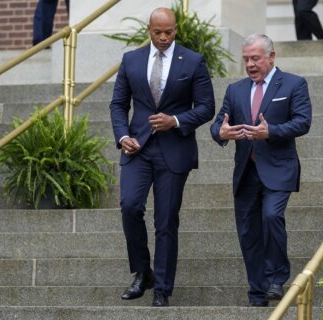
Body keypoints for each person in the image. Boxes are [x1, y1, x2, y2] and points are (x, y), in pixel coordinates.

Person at [109, 7, 215, 307]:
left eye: (169, 32)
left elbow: (207, 106)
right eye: (158, 32)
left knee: (166, 220)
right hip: (137, 149)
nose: (164, 37)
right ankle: (143, 273)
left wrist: (177, 121)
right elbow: (118, 104)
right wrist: (122, 136)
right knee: (130, 207)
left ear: (176, 29)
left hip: (174, 149)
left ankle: (162, 289)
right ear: (149, 30)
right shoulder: (131, 60)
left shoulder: (193, 61)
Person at [210, 34, 312, 307]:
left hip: (279, 168)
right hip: (246, 171)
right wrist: (220, 132)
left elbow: (303, 122)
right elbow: (219, 123)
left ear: (271, 56)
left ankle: (277, 278)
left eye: (255, 58)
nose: (250, 64)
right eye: (246, 59)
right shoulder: (236, 90)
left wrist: (272, 131)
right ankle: (257, 292)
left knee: (271, 216)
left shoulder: (293, 84)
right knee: (248, 233)